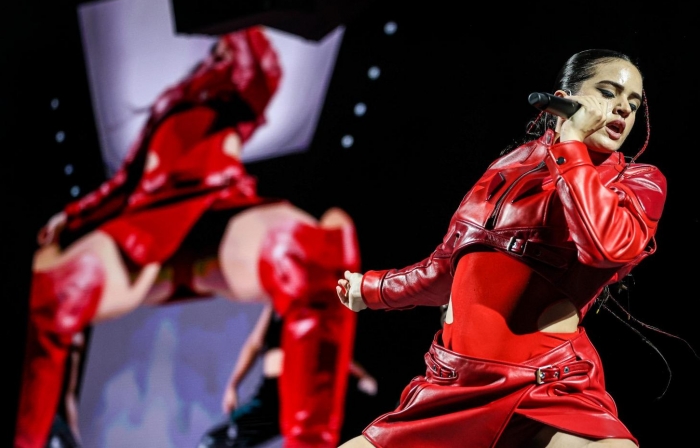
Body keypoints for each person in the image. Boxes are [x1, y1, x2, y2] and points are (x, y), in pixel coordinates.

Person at [16, 25, 361, 448]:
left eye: (225, 49)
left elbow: (260, 73)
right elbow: (123, 181)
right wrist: (71, 215)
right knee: (56, 288)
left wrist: (238, 24)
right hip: (145, 216)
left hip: (219, 202)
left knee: (311, 252)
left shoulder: (240, 83)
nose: (218, 53)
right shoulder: (166, 105)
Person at [335, 48, 665, 447]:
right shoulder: (506, 166)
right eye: (608, 93)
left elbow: (605, 247)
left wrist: (572, 145)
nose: (622, 111)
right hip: (453, 384)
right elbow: (447, 267)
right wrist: (371, 290)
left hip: (548, 386)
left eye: (632, 103)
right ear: (565, 97)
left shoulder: (638, 182)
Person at [197, 304, 379, 448]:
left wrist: (362, 376)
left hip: (301, 394)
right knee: (214, 441)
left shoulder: (317, 306)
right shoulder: (276, 303)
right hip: (272, 395)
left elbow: (334, 352)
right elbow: (254, 343)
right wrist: (233, 385)